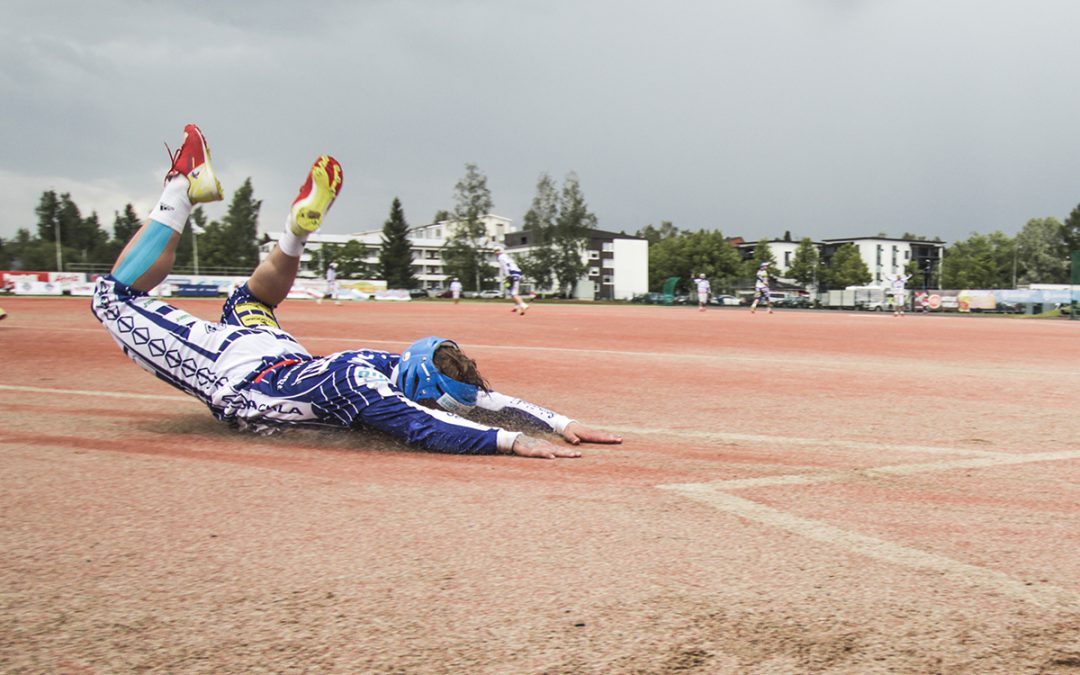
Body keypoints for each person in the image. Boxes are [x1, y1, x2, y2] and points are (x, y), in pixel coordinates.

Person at [91, 124, 620, 459]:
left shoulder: (391, 364)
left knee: (249, 303)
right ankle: (182, 187)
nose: (454, 407)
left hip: (276, 360)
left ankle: (294, 235)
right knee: (112, 298)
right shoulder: (373, 390)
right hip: (238, 371)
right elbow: (428, 426)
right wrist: (514, 440)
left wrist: (561, 422)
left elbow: (477, 399)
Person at [494, 245, 528, 315]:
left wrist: (508, 276)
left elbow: (505, 266)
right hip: (516, 274)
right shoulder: (506, 256)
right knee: (513, 292)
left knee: (513, 293)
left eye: (498, 250)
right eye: (495, 251)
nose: (496, 252)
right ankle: (518, 307)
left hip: (513, 274)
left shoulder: (501, 257)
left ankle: (523, 305)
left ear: (501, 250)